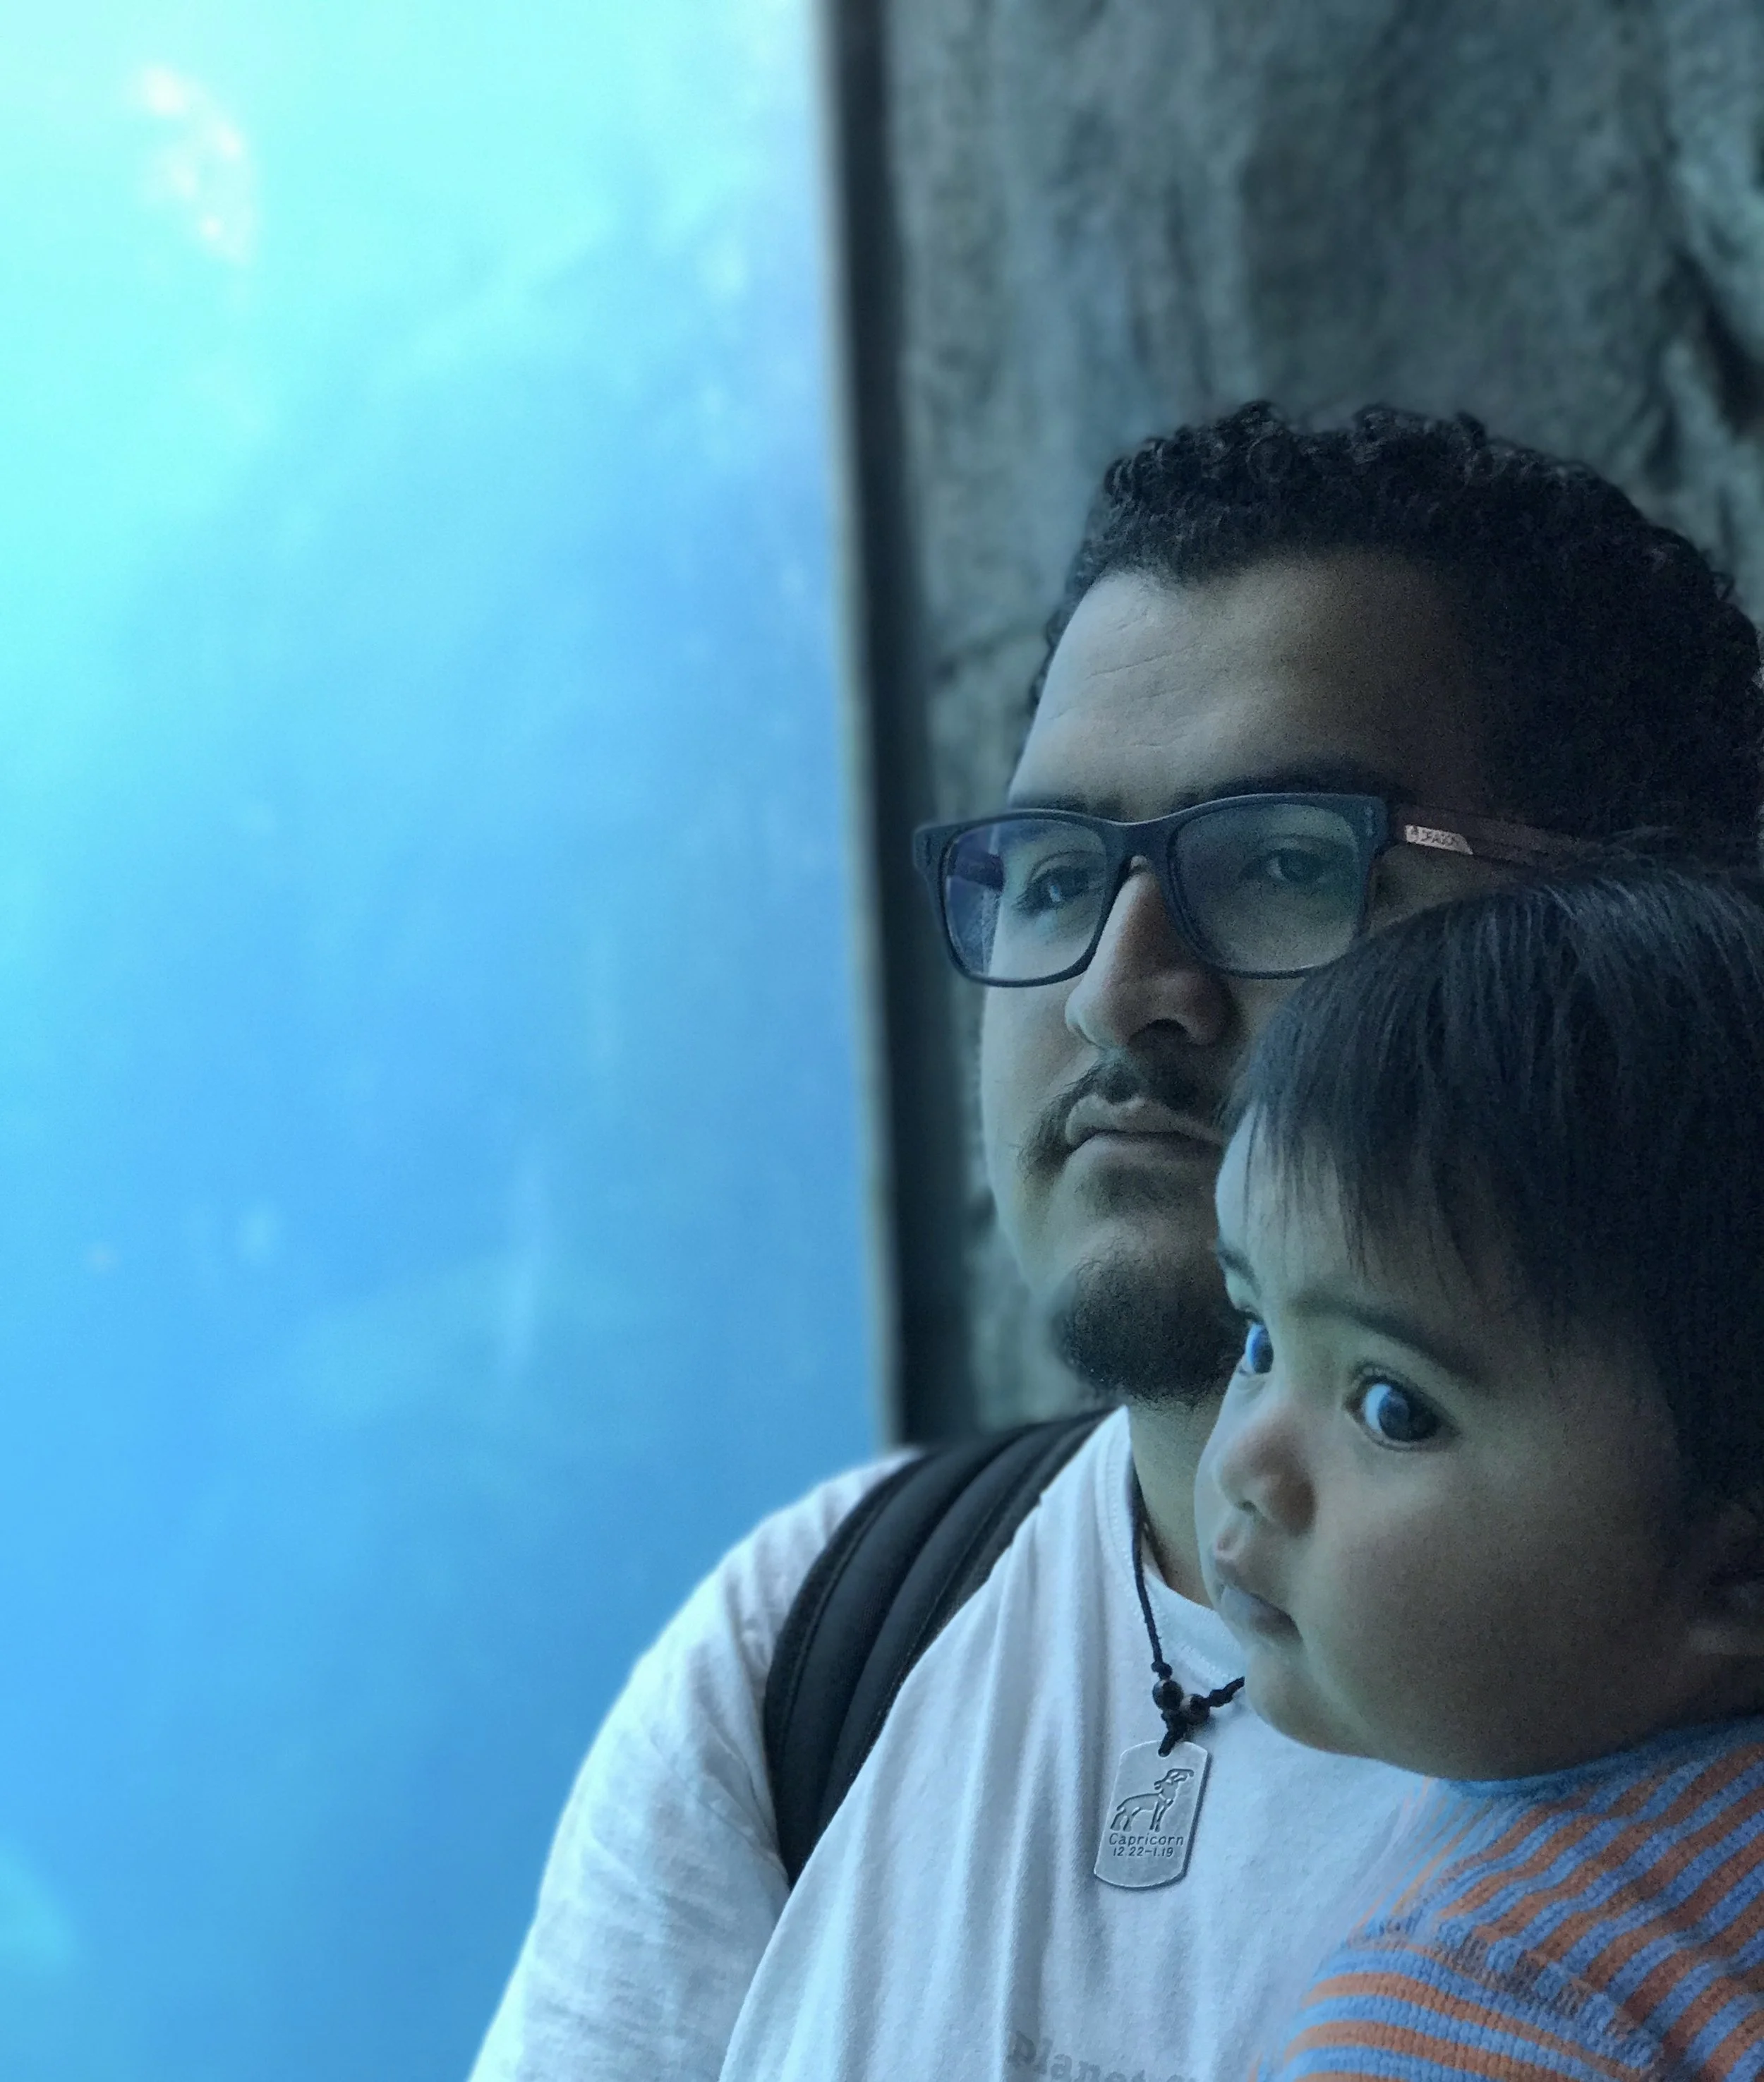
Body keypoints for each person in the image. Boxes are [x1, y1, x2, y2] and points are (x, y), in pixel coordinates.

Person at [468, 404, 1764, 2082]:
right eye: (1056, 875)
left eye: (1288, 860)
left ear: (1628, 927)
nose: (1112, 989)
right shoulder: (815, 1643)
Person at [1200, 866, 1764, 2077]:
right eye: (1255, 1337)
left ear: (1738, 1567)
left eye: (1393, 1406)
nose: (1247, 1461)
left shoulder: (1480, 1999)